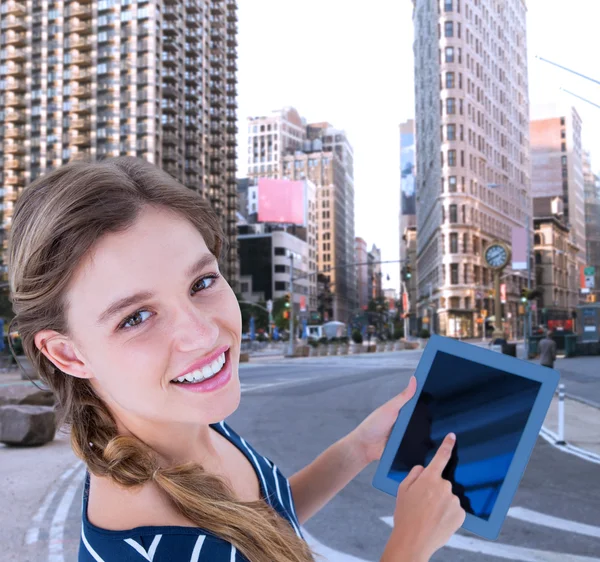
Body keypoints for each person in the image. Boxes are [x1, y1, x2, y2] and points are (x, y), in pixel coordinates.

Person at [7, 158, 465, 562]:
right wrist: (410, 544)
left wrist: (355, 449)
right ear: (67, 352)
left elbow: (256, 530)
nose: (203, 334)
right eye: (136, 317)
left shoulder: (188, 424)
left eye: (201, 283)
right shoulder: (152, 548)